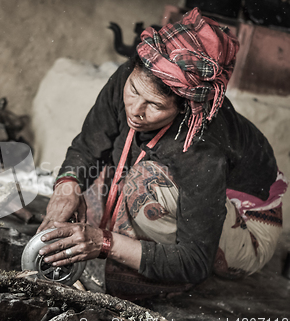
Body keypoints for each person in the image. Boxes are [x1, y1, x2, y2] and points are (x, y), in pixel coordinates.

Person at [36, 8, 288, 299]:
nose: (135, 110)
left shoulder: (200, 148)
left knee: (144, 183)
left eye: (154, 105)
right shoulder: (129, 78)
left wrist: (105, 243)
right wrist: (66, 187)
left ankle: (169, 279)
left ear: (185, 108)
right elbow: (89, 145)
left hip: (248, 226)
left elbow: (195, 261)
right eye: (133, 91)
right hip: (189, 188)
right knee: (90, 187)